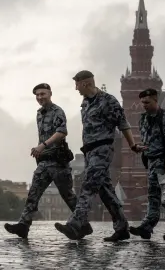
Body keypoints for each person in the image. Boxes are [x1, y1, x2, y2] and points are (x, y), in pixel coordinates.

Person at [54, 70, 145, 242]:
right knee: (105, 191)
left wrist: (132, 144)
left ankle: (75, 225)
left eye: (77, 84)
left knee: (88, 186)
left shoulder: (108, 101)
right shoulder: (85, 102)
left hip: (102, 149)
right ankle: (122, 228)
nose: (75, 88)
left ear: (86, 83)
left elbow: (123, 124)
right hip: (89, 151)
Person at [4, 83, 92, 238]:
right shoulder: (39, 114)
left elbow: (62, 132)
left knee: (67, 195)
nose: (40, 97)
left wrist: (42, 146)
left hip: (58, 161)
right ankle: (23, 225)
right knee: (33, 194)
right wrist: (40, 151)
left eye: (43, 94)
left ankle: (83, 225)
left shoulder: (57, 111)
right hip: (45, 162)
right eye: (37, 95)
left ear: (50, 93)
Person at [129, 88, 165, 241]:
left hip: (163, 161)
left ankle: (147, 226)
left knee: (161, 195)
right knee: (163, 197)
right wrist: (140, 147)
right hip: (151, 160)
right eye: (142, 103)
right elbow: (148, 140)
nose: (144, 105)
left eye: (147, 102)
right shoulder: (143, 119)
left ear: (156, 100)